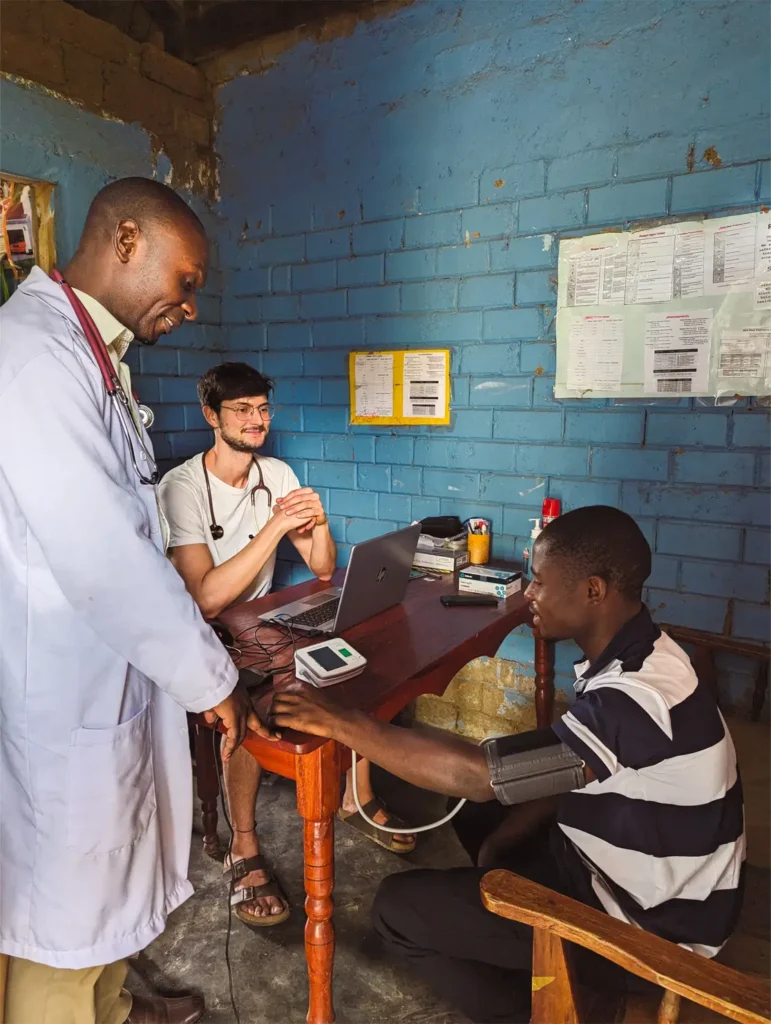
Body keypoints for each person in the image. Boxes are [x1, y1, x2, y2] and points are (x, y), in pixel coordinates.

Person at [270, 506, 745, 1023]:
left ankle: (562, 1010)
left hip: (651, 931)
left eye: (540, 582)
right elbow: (551, 776)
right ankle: (539, 952)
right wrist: (500, 841)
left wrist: (342, 722)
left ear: (593, 591)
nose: (529, 595)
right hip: (633, 875)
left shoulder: (636, 700)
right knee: (480, 815)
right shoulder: (644, 653)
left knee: (397, 908)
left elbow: (479, 777)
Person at [0, 179, 271, 1024]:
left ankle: (116, 1009)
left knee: (112, 885)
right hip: (63, 690)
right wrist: (211, 677)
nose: (190, 305)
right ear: (125, 242)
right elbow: (101, 552)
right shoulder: (33, 354)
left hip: (107, 673)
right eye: (185, 281)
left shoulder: (92, 354)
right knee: (66, 916)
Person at [158, 362, 415, 928]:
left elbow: (322, 567)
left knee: (358, 664)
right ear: (211, 416)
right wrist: (274, 528)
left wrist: (316, 522)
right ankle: (243, 848)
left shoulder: (277, 472)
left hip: (263, 624)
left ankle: (353, 797)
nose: (257, 421)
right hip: (202, 636)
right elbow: (204, 599)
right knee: (245, 707)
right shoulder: (181, 488)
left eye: (263, 409)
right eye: (242, 410)